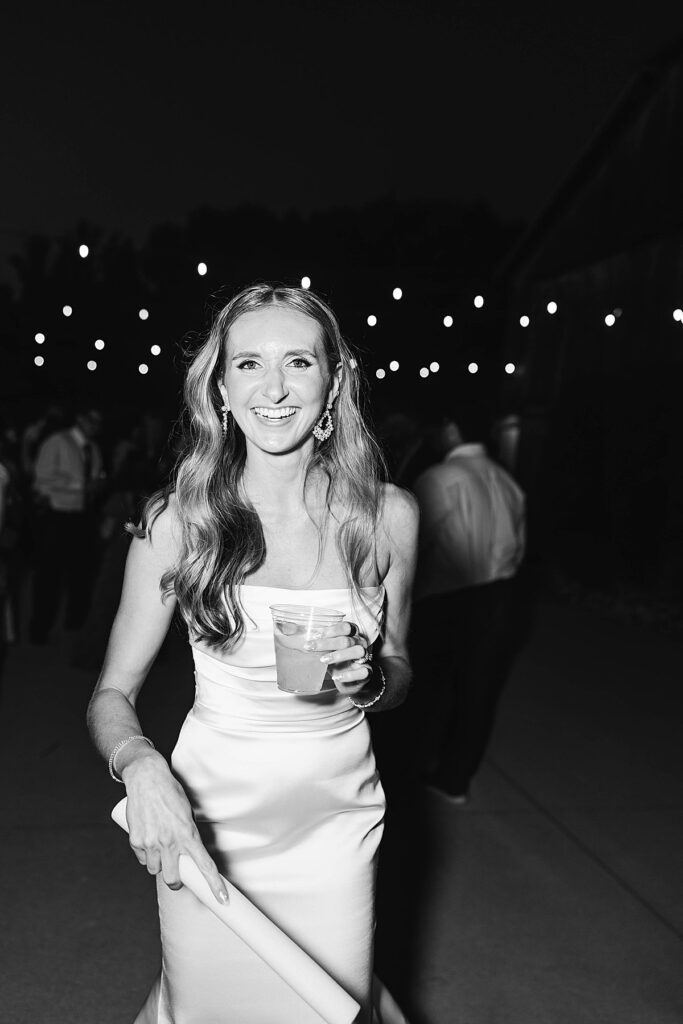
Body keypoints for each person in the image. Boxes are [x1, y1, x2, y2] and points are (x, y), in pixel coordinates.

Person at [87, 284, 418, 1023]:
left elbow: (399, 667)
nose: (273, 388)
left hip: (336, 819)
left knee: (328, 1005)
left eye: (298, 362)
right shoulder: (179, 522)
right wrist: (142, 767)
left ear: (334, 381)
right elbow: (112, 693)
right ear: (221, 387)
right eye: (248, 364)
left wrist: (370, 680)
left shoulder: (388, 516)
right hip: (210, 816)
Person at [410, 410, 526, 803]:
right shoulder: (507, 479)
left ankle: (414, 769)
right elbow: (519, 546)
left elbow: (414, 546)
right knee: (478, 692)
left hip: (447, 598)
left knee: (429, 691)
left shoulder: (440, 478)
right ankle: (454, 779)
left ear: (452, 429)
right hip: (500, 597)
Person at [30, 406, 104, 642]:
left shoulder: (93, 448)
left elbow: (96, 478)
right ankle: (39, 629)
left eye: (99, 422)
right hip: (57, 516)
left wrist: (96, 486)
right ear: (80, 418)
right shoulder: (57, 441)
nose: (95, 426)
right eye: (91, 420)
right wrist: (80, 486)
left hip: (83, 517)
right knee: (48, 576)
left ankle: (74, 626)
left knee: (80, 574)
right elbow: (41, 480)